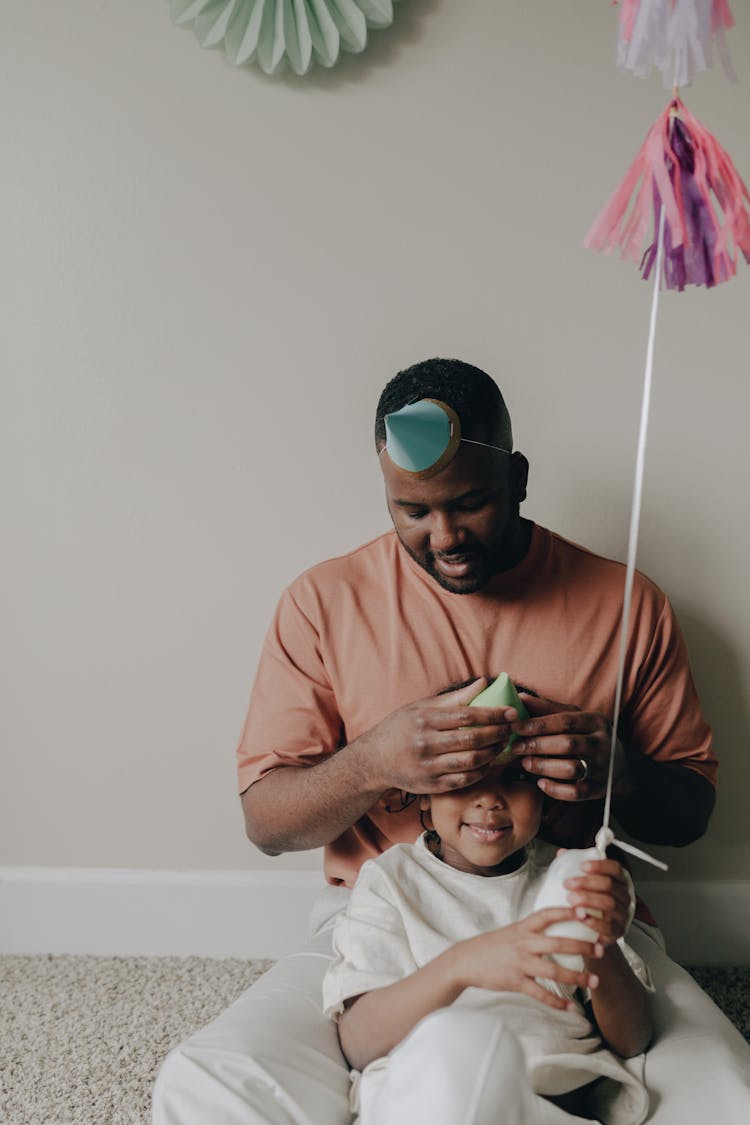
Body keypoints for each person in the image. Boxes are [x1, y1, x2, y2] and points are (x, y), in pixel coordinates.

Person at [152, 358, 750, 1125]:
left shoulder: (626, 602)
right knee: (209, 1082)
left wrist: (620, 772)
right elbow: (268, 823)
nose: (446, 536)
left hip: (578, 914)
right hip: (381, 921)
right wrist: (375, 760)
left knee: (727, 1097)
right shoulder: (323, 602)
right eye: (413, 512)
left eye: (470, 504)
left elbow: (690, 815)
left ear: (520, 478)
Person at [324, 755, 654, 1125]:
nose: (489, 799)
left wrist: (602, 945)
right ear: (425, 794)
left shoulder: (567, 879)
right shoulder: (392, 881)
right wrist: (460, 966)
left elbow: (632, 1040)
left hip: (548, 1099)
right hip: (434, 1094)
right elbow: (358, 1043)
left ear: (545, 793)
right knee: (456, 1039)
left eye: (516, 776)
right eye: (465, 775)